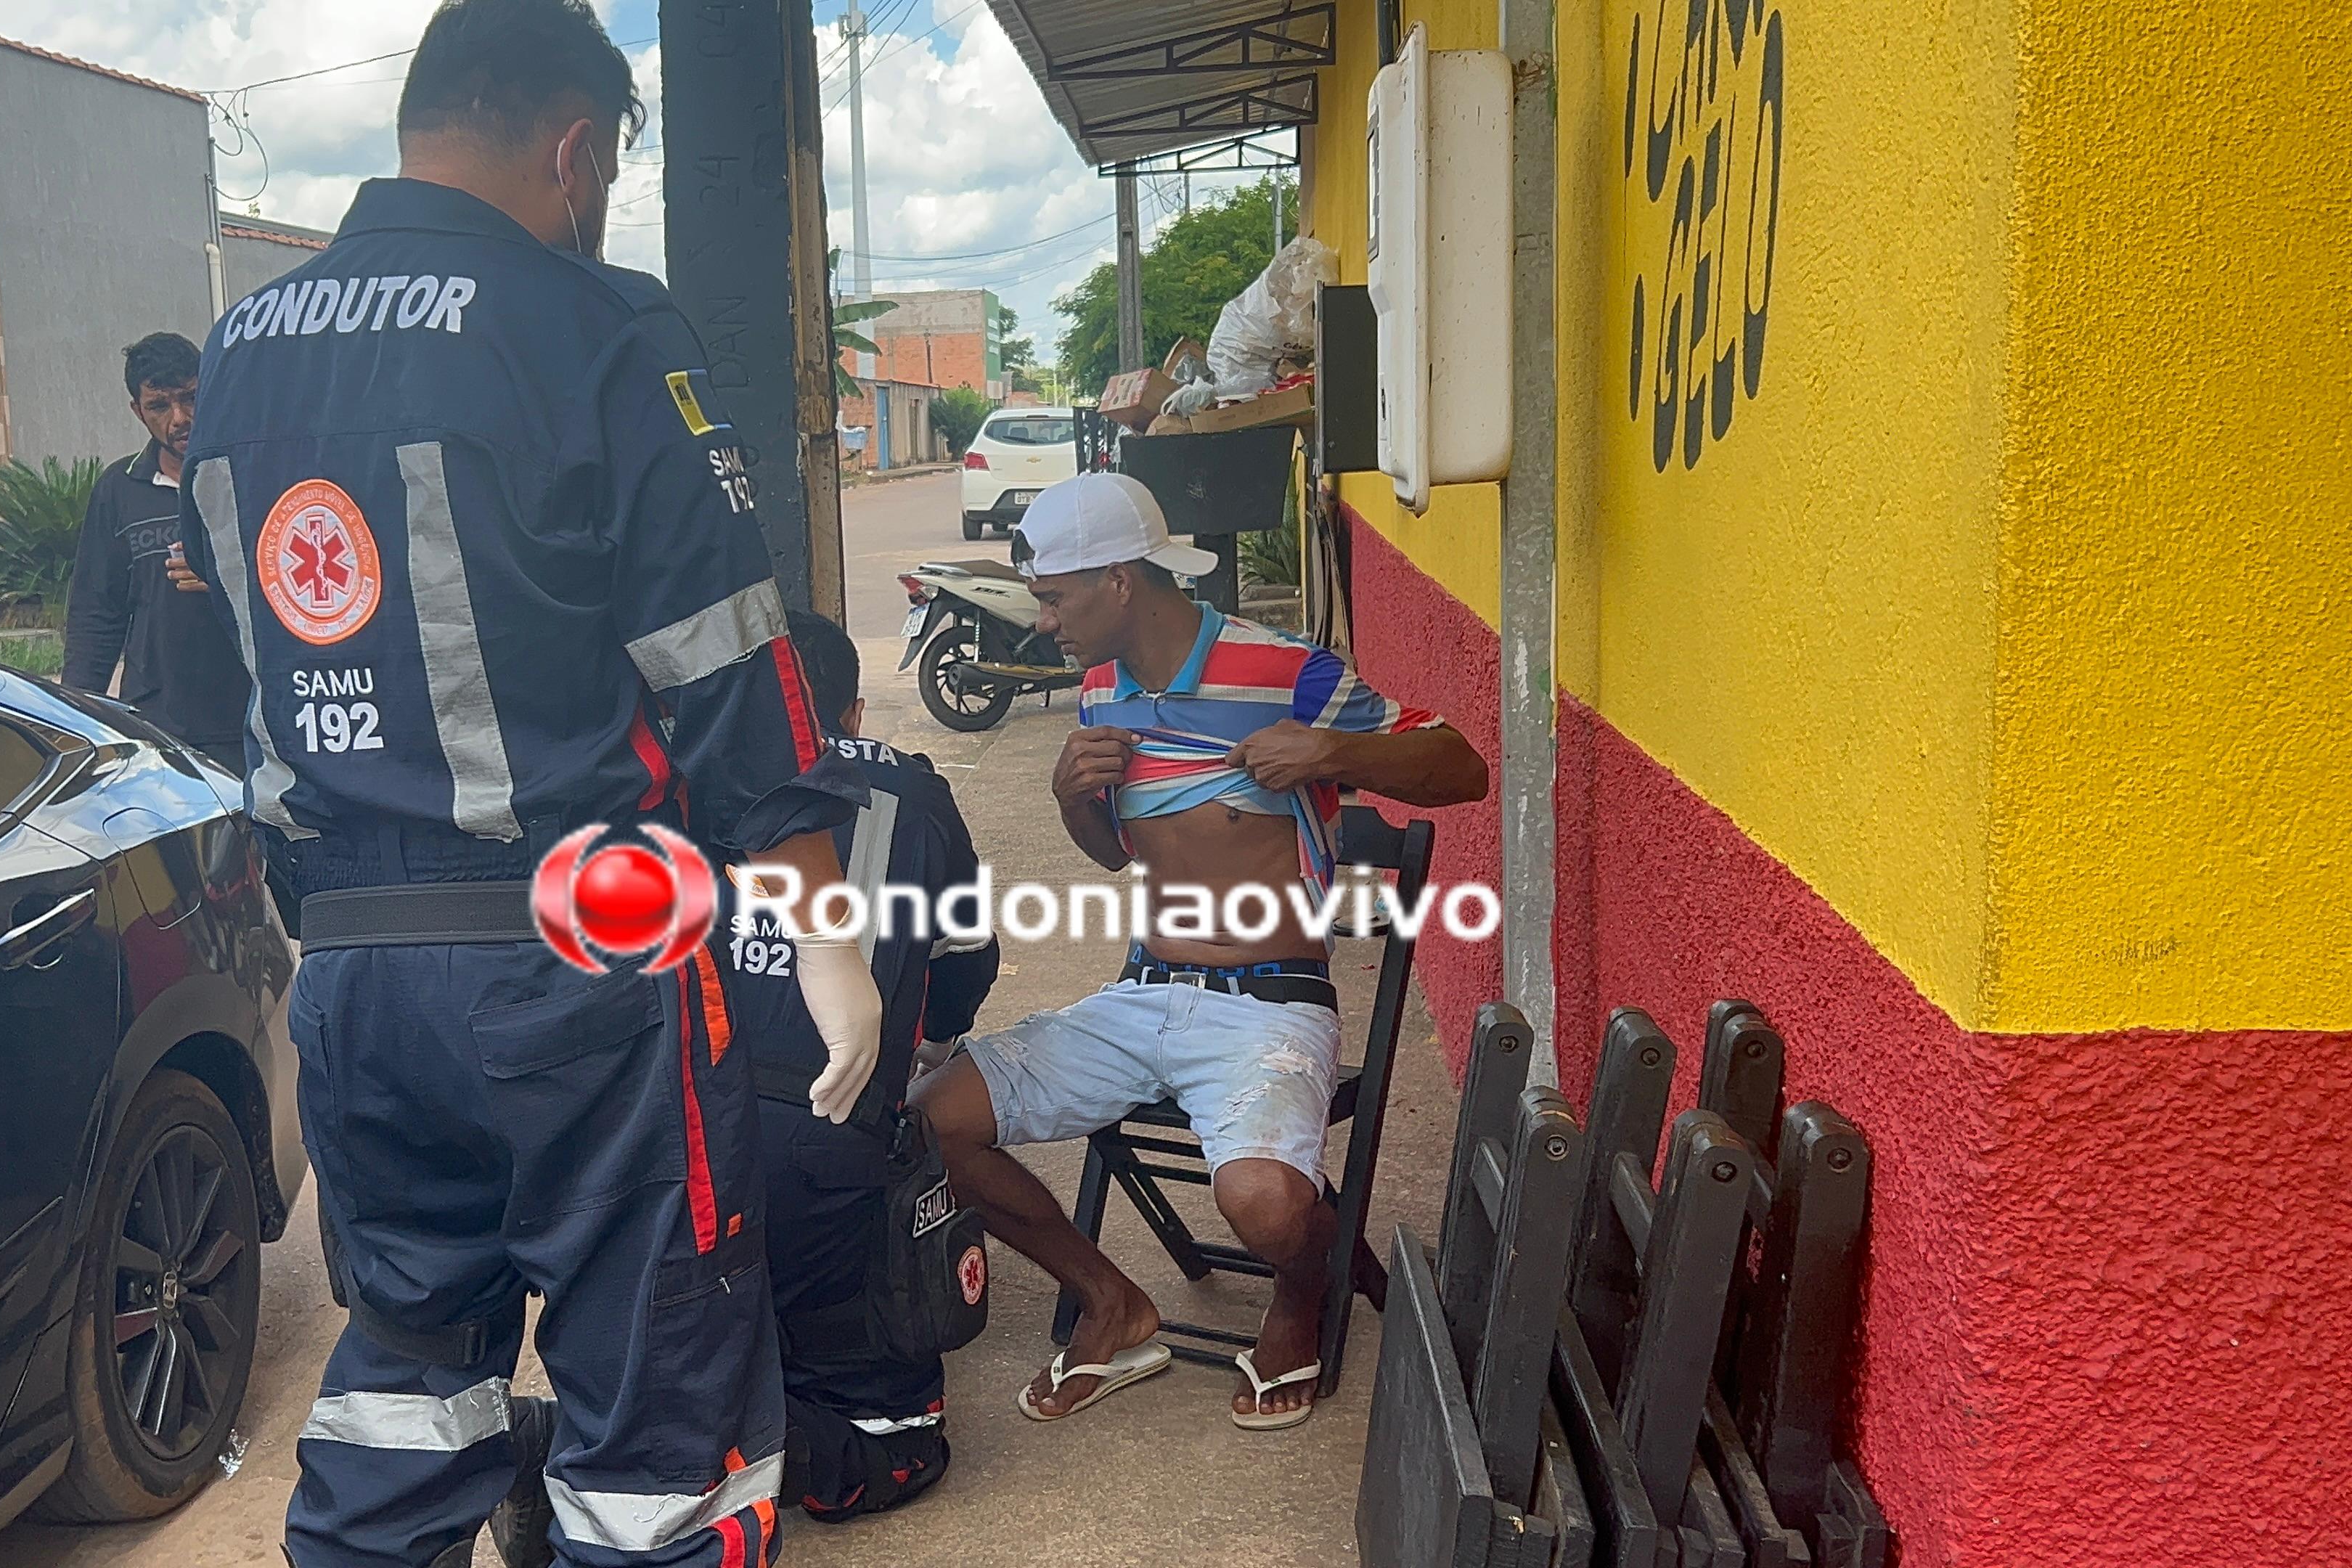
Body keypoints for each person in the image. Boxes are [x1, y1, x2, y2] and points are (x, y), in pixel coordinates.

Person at [173, 4, 886, 1564]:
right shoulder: (593, 322)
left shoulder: (237, 350)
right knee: (655, 1412)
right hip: (584, 962)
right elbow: (726, 664)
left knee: (411, 1381)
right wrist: (822, 929)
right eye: (609, 166)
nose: (604, 200)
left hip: (355, 972)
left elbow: (253, 654)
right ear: (575, 144)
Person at [915, 472, 1489, 1433]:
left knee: (1264, 1204)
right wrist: (1071, 802)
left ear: (1119, 582)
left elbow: (1460, 765)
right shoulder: (1100, 688)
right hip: (1142, 996)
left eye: (1054, 598)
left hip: (1270, 1007)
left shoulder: (1288, 672)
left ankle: (1300, 1299)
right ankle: (1114, 1305)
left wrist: (1331, 754)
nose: (1043, 621)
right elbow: (1119, 854)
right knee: (933, 1120)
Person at [715, 612, 998, 1525]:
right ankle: (735, 1441)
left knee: (699, 1324)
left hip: (684, 1122)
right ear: (856, 709)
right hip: (828, 1137)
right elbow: (966, 962)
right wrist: (932, 1046)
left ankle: (634, 1430)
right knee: (896, 1441)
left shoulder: (686, 780)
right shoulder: (919, 797)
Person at [62, 332, 252, 756]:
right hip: (157, 724)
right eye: (160, 406)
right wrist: (75, 717)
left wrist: (224, 574)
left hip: (254, 716)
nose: (180, 418)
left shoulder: (252, 475)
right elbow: (96, 612)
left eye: (190, 397)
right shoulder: (120, 488)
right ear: (137, 411)